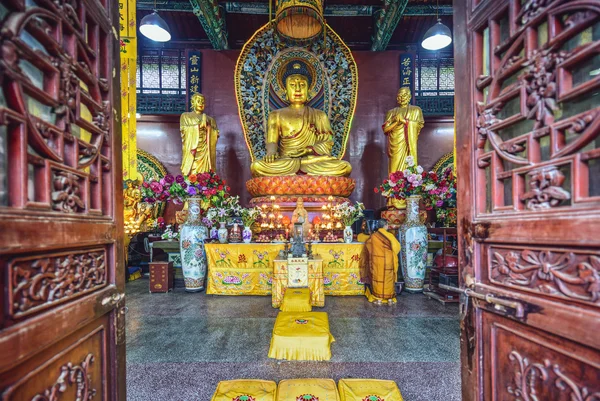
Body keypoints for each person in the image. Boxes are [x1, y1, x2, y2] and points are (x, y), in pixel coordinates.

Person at [250, 60, 352, 177]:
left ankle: (293, 178)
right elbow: (272, 141)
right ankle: (306, 179)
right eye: (292, 85)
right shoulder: (276, 115)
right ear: (285, 90)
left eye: (302, 85)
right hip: (286, 162)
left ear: (309, 90)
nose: (298, 89)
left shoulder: (319, 115)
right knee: (257, 167)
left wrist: (308, 150)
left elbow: (327, 142)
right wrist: (271, 153)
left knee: (344, 167)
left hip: (311, 161)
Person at [382, 87, 424, 209]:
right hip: (396, 146)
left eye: (405, 95)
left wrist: (407, 122)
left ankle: (409, 200)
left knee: (410, 169)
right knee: (394, 172)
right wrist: (396, 121)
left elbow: (419, 126)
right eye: (399, 95)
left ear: (410, 96)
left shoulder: (416, 110)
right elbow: (385, 129)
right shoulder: (392, 112)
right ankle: (393, 200)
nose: (402, 98)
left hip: (408, 145)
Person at [361, 219, 401, 305]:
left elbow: (368, 245)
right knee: (388, 279)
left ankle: (378, 298)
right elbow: (397, 247)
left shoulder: (373, 236)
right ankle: (390, 299)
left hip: (377, 261)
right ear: (386, 225)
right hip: (388, 261)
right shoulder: (389, 235)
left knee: (377, 278)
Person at [180, 93, 219, 175]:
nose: (201, 103)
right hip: (193, 149)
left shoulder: (210, 119)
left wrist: (208, 127)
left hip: (205, 150)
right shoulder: (186, 116)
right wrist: (198, 127)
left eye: (203, 102)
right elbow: (183, 130)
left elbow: (216, 134)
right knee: (192, 174)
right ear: (193, 103)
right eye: (198, 101)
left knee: (206, 173)